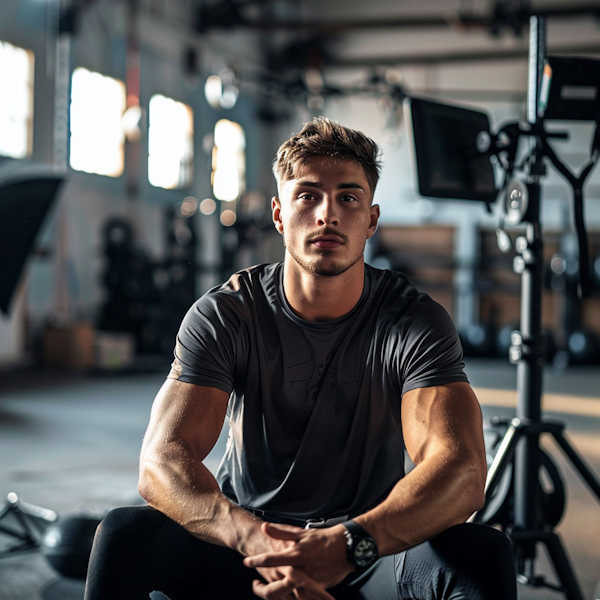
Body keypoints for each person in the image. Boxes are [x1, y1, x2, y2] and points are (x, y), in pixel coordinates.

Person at [84, 117, 517, 600]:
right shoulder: (227, 313)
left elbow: (463, 470)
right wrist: (253, 537)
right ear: (278, 213)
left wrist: (349, 545)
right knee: (125, 535)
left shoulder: (413, 321)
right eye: (307, 195)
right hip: (248, 547)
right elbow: (160, 461)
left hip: (368, 551)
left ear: (370, 220)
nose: (327, 215)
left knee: (483, 553)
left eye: (348, 198)